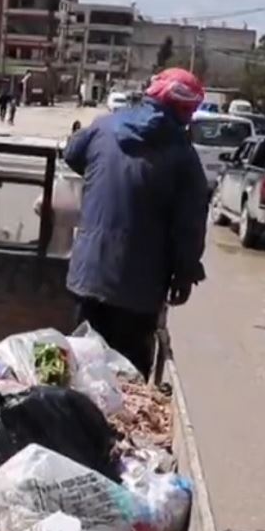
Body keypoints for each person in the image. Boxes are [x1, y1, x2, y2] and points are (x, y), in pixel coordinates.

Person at [62, 67, 209, 376]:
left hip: (88, 276)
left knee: (81, 367)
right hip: (139, 292)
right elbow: (189, 227)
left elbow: (73, 153)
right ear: (187, 110)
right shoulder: (184, 157)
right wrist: (184, 276)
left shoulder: (103, 127)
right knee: (127, 380)